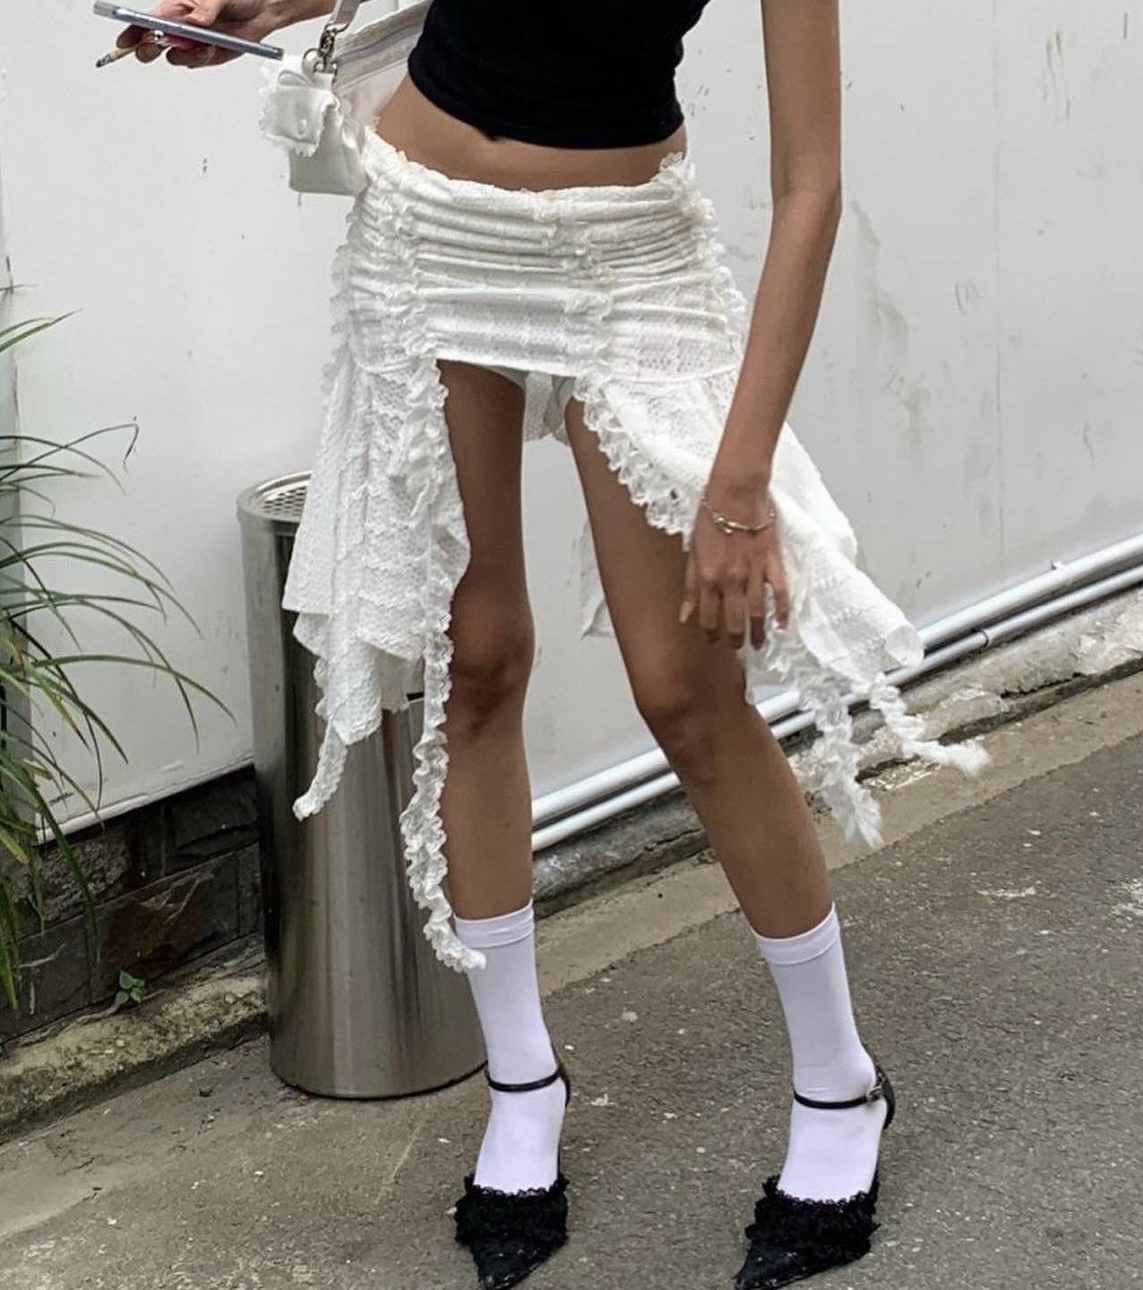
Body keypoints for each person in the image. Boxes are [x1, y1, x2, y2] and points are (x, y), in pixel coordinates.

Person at [120, 3, 985, 1287]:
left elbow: (811, 189)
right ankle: (522, 1084)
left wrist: (739, 485)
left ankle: (839, 1083)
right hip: (429, 230)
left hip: (626, 261)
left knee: (687, 693)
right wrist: (250, 9)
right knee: (476, 663)